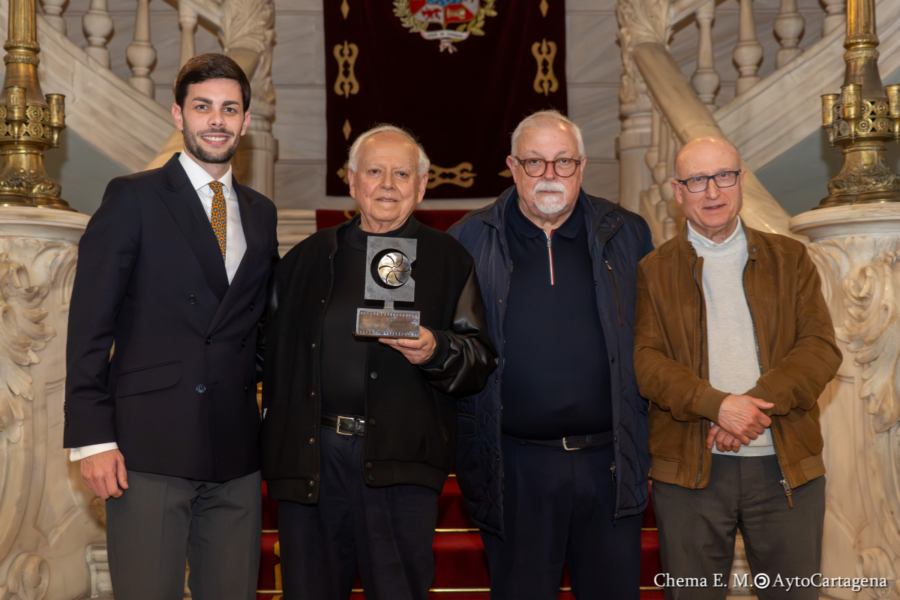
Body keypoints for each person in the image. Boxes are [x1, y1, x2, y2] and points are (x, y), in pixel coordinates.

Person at [64, 53, 279, 600]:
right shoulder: (132, 197)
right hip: (147, 448)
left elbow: (257, 326)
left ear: (246, 121)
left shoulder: (260, 212)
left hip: (234, 449)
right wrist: (91, 439)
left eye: (230, 109)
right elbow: (90, 325)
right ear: (178, 116)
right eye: (203, 106)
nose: (217, 120)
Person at [260, 124, 496, 600]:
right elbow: (265, 353)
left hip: (402, 466)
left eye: (402, 173)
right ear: (351, 180)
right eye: (374, 171)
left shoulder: (449, 259)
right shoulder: (305, 259)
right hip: (313, 462)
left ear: (422, 186)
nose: (388, 183)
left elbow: (479, 358)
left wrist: (437, 350)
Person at [448, 110, 654, 600]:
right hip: (514, 469)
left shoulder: (628, 234)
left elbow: (657, 337)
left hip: (611, 462)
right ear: (512, 167)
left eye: (562, 163)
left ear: (581, 167)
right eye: (534, 162)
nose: (549, 176)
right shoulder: (467, 240)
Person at [633, 136, 842, 600]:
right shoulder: (652, 270)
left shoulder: (790, 259)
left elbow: (819, 349)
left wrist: (747, 410)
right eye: (697, 180)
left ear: (741, 180)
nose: (713, 192)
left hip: (786, 469)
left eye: (724, 176)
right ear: (677, 190)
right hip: (690, 473)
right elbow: (647, 363)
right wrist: (718, 406)